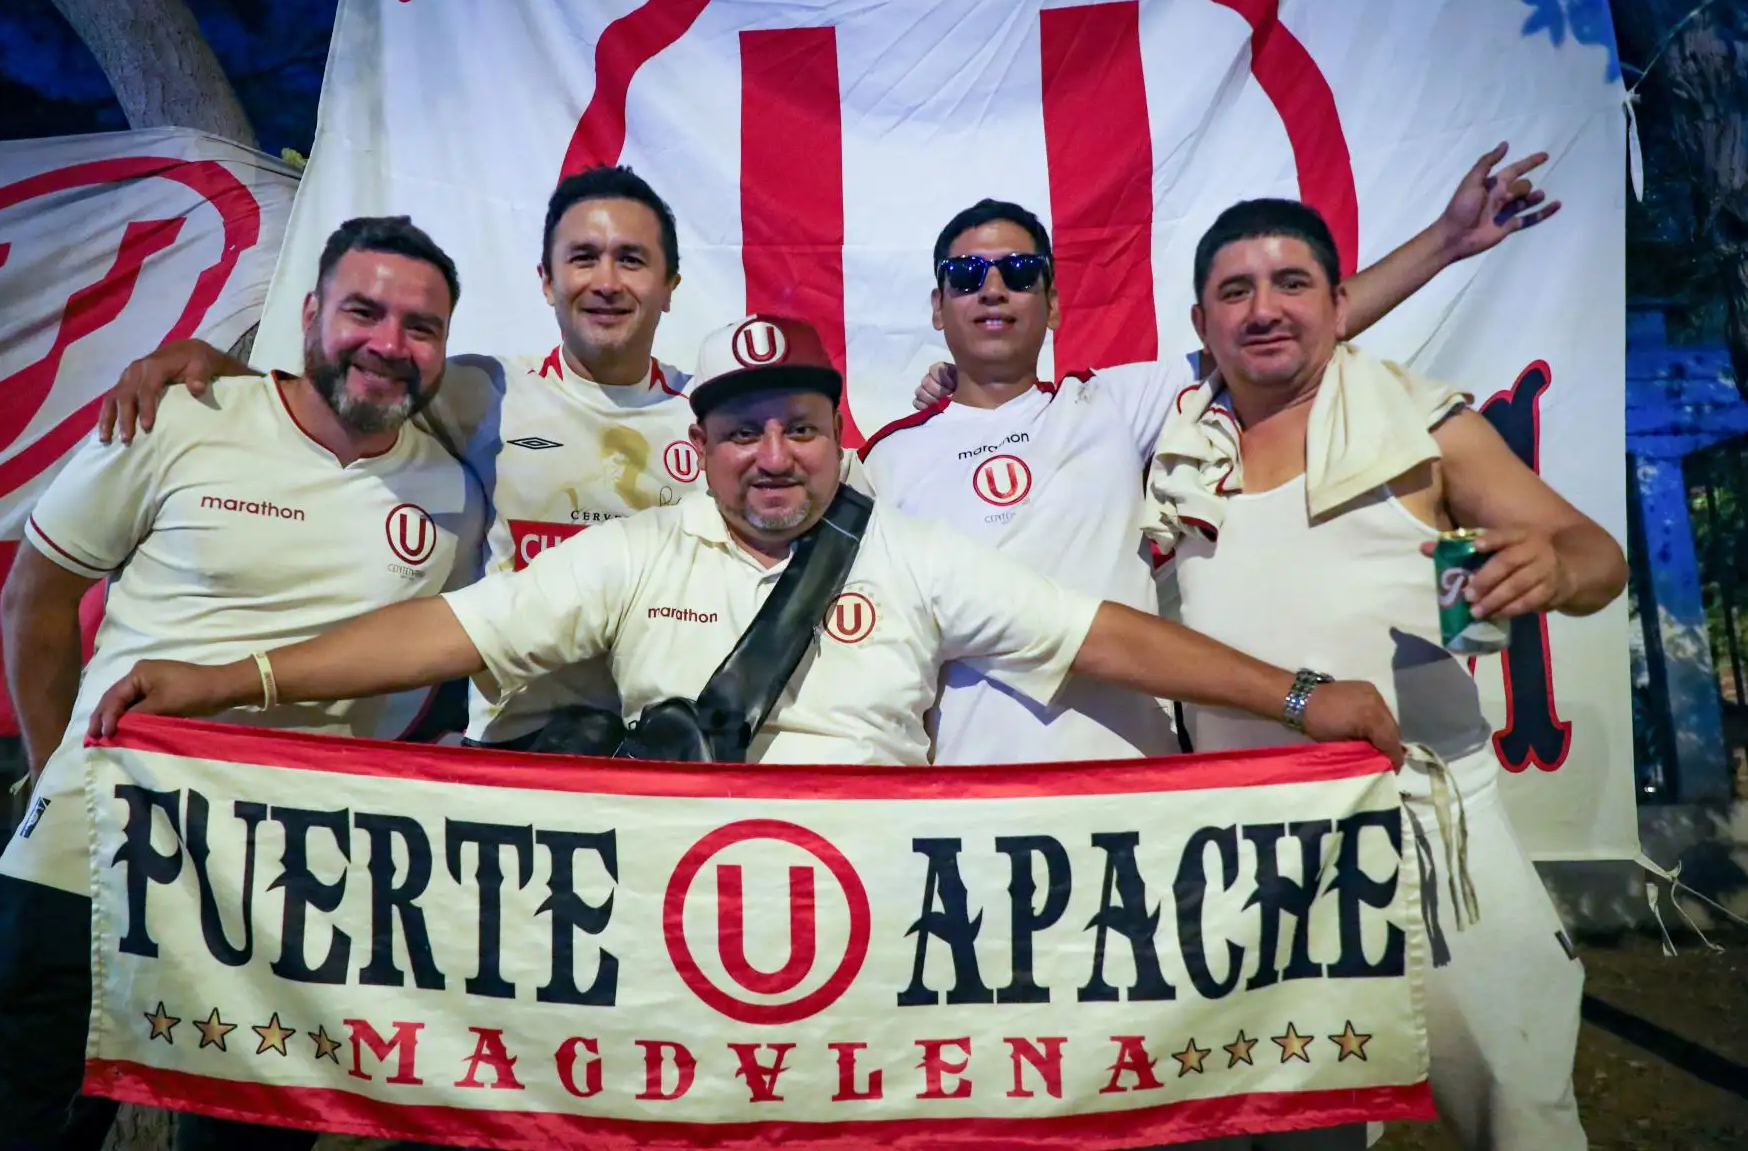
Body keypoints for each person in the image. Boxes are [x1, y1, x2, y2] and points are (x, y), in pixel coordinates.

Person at [88, 313, 1405, 789]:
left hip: (874, 964)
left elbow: (1104, 636)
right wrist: (222, 684)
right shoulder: (637, 552)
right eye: (743, 435)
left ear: (839, 439)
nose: (773, 457)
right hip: (671, 979)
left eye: (800, 429)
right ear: (701, 448)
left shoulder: (908, 551)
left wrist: (1299, 698)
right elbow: (446, 635)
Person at [0, 217, 483, 1151]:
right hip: (92, 860)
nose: (388, 345)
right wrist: (55, 772)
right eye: (362, 312)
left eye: (420, 327)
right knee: (22, 1134)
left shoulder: (452, 491)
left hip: (289, 895)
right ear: (312, 313)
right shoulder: (185, 414)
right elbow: (36, 600)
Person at [1147, 199, 1624, 1150]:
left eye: (1292, 284)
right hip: (1248, 849)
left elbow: (1593, 551)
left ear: (1338, 302)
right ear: (1201, 324)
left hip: (1423, 822)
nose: (1264, 309)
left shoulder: (1423, 423)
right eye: (1233, 291)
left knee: (1518, 1104)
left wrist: (1559, 569)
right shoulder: (1171, 446)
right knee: (1295, 1128)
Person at [862, 143, 1560, 767]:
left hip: (1137, 783)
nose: (992, 289)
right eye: (966, 275)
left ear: (1052, 305)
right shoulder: (886, 460)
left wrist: (1446, 241)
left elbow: (1277, 334)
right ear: (937, 305)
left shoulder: (1110, 405)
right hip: (964, 797)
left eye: (1017, 271)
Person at [96, 165, 704, 751]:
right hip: (515, 744)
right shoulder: (481, 392)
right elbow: (336, 397)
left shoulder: (715, 419)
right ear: (546, 280)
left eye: (631, 259)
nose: (605, 281)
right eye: (582, 258)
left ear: (670, 286)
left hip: (670, 739)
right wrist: (216, 368)